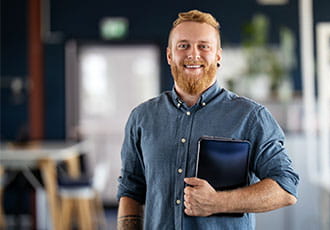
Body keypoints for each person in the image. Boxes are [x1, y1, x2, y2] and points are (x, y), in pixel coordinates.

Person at [117, 9, 299, 230]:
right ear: (169, 55)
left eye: (204, 46)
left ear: (218, 56)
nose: (193, 55)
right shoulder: (142, 117)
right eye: (183, 46)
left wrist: (217, 202)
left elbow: (286, 188)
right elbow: (130, 190)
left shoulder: (250, 117)